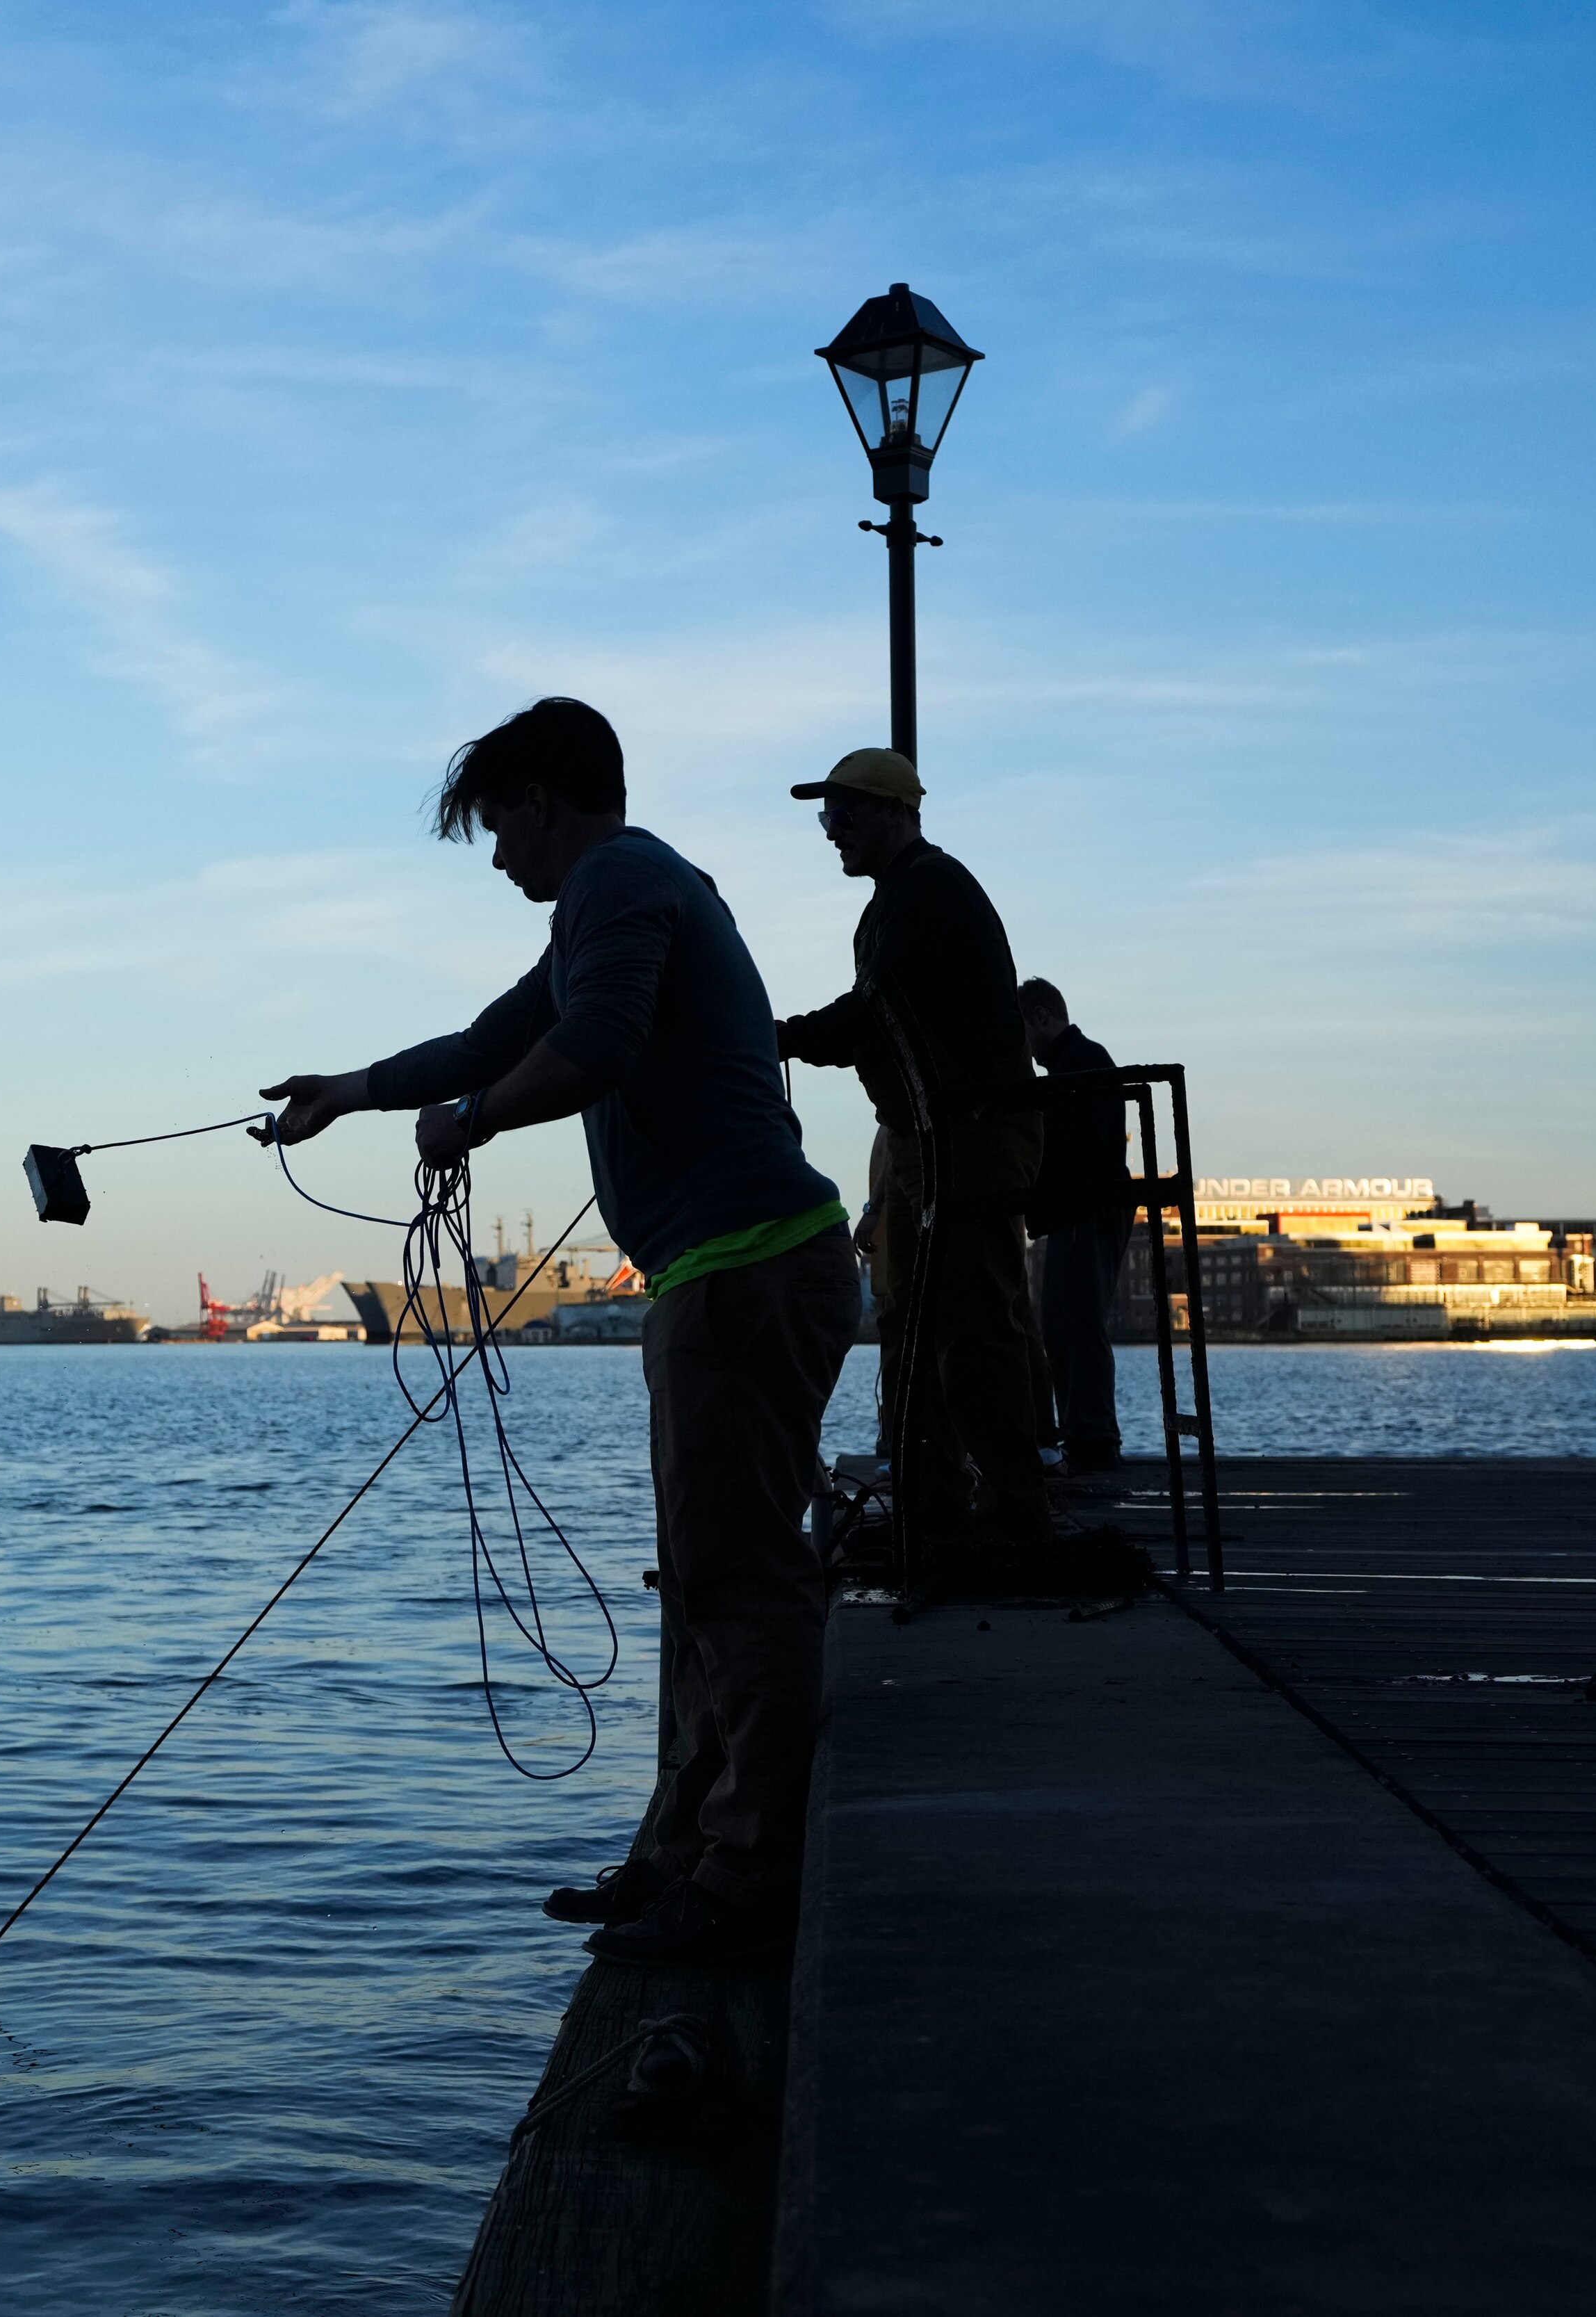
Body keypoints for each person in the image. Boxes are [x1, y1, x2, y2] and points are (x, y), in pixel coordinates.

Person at [259, 698, 857, 1969]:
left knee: (739, 1578)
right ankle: (684, 1847)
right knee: (706, 1573)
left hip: (746, 1274)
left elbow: (594, 1047)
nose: (494, 857)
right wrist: (356, 1092)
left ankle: (749, 1872)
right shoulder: (615, 897)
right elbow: (499, 1037)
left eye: (495, 825)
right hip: (729, 1274)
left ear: (541, 800)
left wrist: (468, 1122)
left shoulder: (620, 878)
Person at [774, 747, 1052, 1560]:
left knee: (971, 1320)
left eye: (845, 813)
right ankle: (934, 1500)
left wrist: (775, 1039)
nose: (831, 831)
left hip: (972, 1133)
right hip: (928, 1136)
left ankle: (1012, 1509)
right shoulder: (900, 897)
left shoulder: (927, 891)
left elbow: (872, 1009)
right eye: (826, 817)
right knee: (917, 1319)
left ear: (895, 813)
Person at [1020, 977, 1130, 1474]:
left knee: (1076, 1326)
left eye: (1023, 1029)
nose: (1022, 1045)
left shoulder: (1079, 1064)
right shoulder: (1085, 1060)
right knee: (1069, 1327)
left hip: (1083, 1212)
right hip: (1083, 1212)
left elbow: (1071, 1146)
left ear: (1041, 1016)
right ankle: (1089, 1438)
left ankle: (1092, 1440)